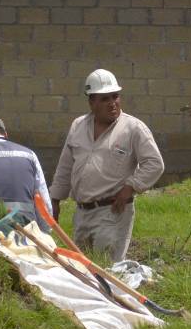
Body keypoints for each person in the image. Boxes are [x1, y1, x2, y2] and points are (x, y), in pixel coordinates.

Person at [49, 69, 165, 262]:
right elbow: (65, 166)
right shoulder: (78, 126)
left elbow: (154, 163)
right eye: (105, 99)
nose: (113, 103)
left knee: (106, 270)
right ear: (91, 102)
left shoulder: (133, 128)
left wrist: (131, 187)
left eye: (115, 96)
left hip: (112, 212)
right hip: (82, 213)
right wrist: (55, 199)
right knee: (82, 270)